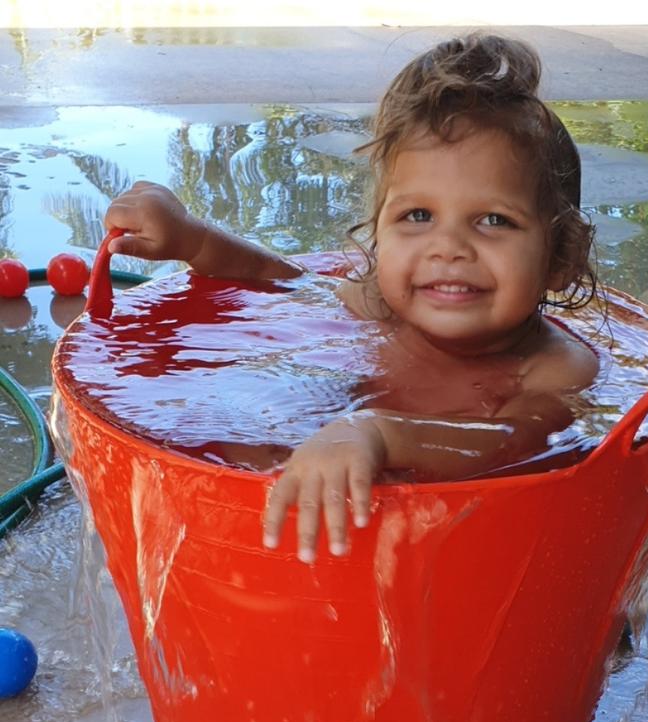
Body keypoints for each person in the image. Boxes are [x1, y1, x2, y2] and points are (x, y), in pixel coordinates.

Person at [104, 33, 599, 564]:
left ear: (562, 258)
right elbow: (275, 280)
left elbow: (508, 441)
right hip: (348, 481)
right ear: (380, 233)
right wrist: (193, 239)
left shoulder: (554, 368)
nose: (448, 247)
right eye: (418, 216)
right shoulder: (380, 304)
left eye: (494, 221)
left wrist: (380, 432)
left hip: (465, 546)